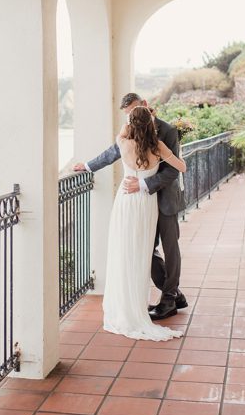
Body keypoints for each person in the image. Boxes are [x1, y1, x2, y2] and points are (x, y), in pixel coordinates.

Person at [74, 92, 189, 320]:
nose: (129, 119)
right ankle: (173, 293)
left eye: (132, 113)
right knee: (146, 249)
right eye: (127, 115)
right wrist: (88, 166)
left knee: (170, 248)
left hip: (163, 199)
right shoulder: (131, 131)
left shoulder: (168, 131)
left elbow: (173, 170)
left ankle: (168, 300)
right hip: (140, 203)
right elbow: (113, 152)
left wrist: (143, 184)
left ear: (145, 105)